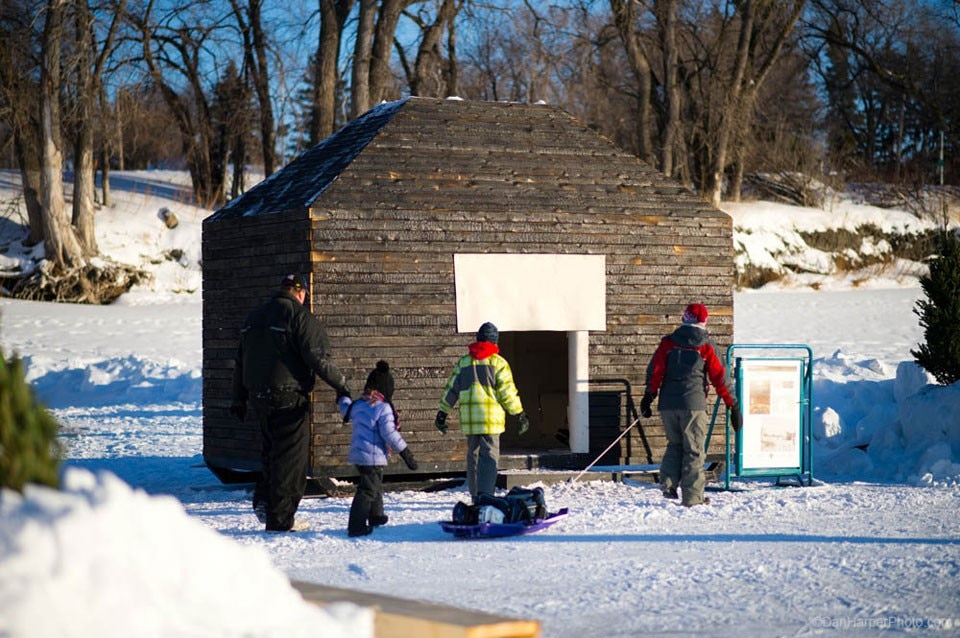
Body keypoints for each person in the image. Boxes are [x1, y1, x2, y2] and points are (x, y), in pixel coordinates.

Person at [230, 273, 351, 532]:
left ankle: (265, 501)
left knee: (270, 453)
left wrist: (237, 398)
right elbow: (319, 359)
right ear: (301, 293)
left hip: (258, 398)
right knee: (291, 463)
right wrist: (342, 386)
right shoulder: (299, 317)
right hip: (289, 399)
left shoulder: (255, 317)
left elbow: (240, 361)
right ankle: (280, 520)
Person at [641, 303, 742, 507]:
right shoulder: (706, 345)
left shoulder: (668, 343)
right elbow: (720, 378)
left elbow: (656, 370)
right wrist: (733, 406)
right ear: (704, 321)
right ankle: (693, 498)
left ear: (684, 318)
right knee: (694, 450)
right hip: (693, 405)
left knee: (675, 444)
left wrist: (649, 395)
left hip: (668, 405)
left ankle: (668, 483)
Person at [434, 321, 529, 503]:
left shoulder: (464, 362)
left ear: (478, 339)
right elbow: (507, 393)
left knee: (474, 457)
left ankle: (475, 495)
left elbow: (451, 389)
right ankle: (486, 496)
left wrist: (442, 413)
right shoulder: (498, 363)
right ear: (495, 341)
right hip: (491, 420)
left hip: (470, 420)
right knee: (489, 457)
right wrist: (519, 414)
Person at [338, 360, 418, 537]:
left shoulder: (358, 404)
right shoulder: (383, 408)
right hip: (372, 456)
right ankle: (356, 526)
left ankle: (376, 516)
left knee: (374, 484)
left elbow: (345, 408)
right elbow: (389, 433)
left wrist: (342, 395)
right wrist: (406, 453)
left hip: (359, 454)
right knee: (367, 490)